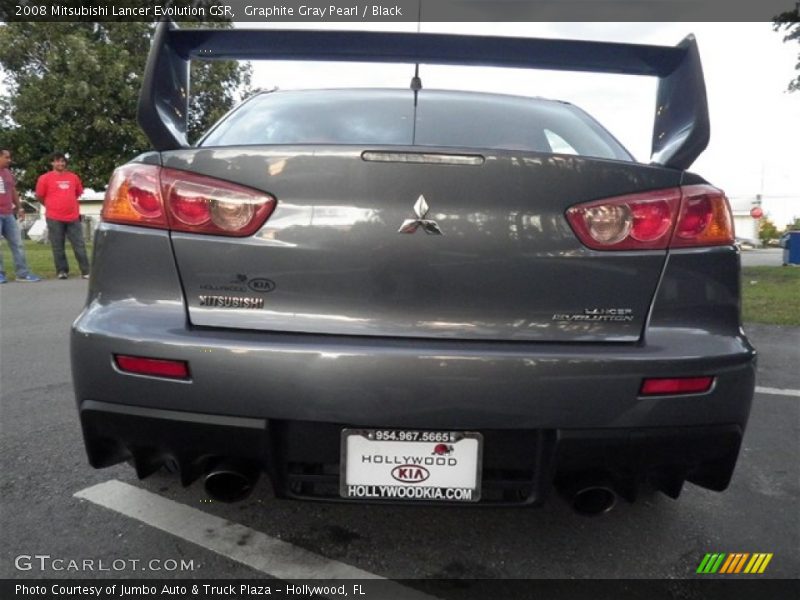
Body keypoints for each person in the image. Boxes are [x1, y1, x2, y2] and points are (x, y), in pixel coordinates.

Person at [35, 152, 90, 279]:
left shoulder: (73, 177)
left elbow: (77, 193)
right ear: (52, 163)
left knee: (79, 245)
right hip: (54, 217)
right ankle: (62, 271)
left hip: (73, 217)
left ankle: (86, 271)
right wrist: (51, 205)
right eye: (57, 161)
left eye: (62, 161)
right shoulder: (44, 178)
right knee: (58, 246)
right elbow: (39, 196)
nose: (61, 163)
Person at [0, 148, 41, 283]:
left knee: (18, 244)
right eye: (6, 157)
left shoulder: (7, 173)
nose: (9, 160)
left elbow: (13, 191)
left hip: (8, 214)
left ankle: (22, 274)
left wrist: (19, 208)